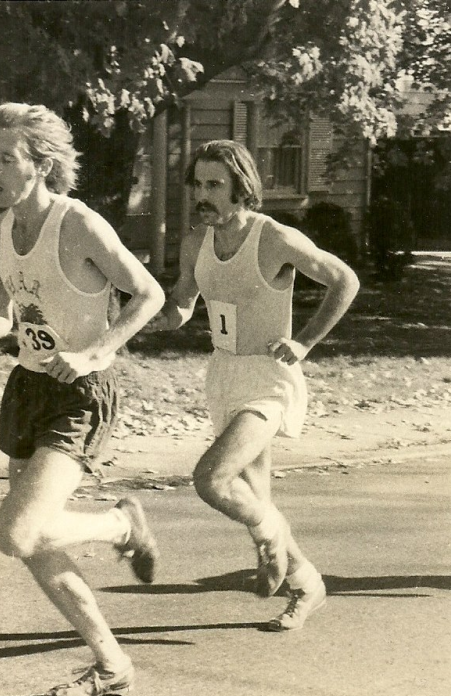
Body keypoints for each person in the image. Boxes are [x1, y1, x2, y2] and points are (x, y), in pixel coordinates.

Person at [0, 103, 165, 696]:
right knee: (35, 543)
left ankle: (121, 523)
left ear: (40, 166)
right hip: (29, 389)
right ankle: (111, 662)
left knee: (16, 533)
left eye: (5, 159)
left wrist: (97, 352)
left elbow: (147, 293)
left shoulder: (79, 225)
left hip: (81, 395)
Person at [147, 140, 359, 631]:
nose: (203, 195)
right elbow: (182, 305)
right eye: (198, 184)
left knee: (212, 479)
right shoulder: (196, 241)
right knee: (255, 492)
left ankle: (272, 538)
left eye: (214, 185)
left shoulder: (275, 239)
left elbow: (343, 280)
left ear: (242, 188)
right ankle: (307, 582)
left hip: (268, 381)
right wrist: (146, 319)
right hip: (223, 376)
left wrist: (305, 342)